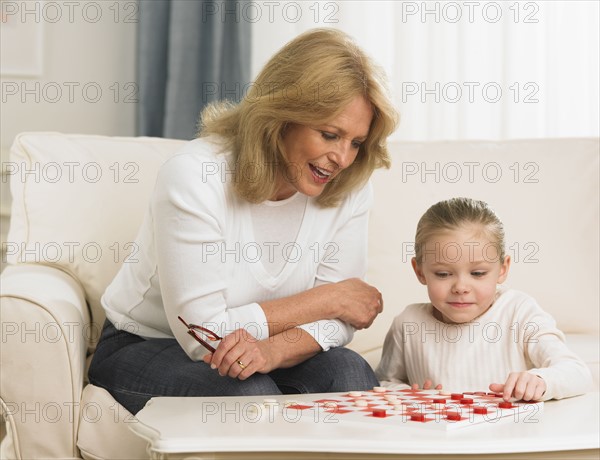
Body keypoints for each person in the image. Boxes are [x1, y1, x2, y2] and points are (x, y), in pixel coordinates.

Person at [88, 28, 398, 414]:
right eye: (329, 134)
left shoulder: (349, 185)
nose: (343, 158)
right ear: (282, 117)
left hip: (270, 349)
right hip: (148, 345)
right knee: (249, 397)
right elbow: (204, 337)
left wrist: (272, 351)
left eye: (355, 142)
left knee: (350, 375)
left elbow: (344, 321)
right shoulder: (194, 175)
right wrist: (328, 298)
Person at [376, 197, 593, 401]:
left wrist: (541, 381)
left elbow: (576, 372)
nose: (461, 287)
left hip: (509, 436)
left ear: (502, 269)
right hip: (436, 438)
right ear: (420, 272)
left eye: (478, 273)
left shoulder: (518, 312)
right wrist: (407, 394)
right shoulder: (408, 323)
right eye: (443, 274)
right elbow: (385, 381)